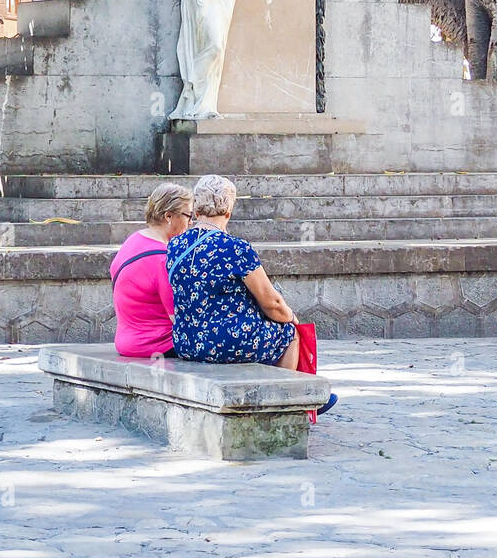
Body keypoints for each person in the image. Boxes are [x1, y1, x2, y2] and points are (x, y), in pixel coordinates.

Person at [167, 174, 337, 413]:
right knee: (289, 334)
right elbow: (272, 303)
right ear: (228, 212)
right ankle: (285, 404)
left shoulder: (175, 245)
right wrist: (291, 318)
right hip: (225, 342)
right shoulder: (235, 248)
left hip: (187, 341)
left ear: (195, 210)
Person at [110, 182, 193, 359]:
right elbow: (177, 317)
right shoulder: (162, 259)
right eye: (188, 215)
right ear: (169, 216)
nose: (190, 222)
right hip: (158, 344)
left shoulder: (132, 241)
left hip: (126, 341)